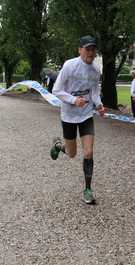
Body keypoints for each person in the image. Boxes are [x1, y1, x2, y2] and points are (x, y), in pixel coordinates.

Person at [50, 35, 105, 204]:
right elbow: (56, 90)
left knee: (88, 152)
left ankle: (87, 189)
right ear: (80, 50)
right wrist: (74, 100)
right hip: (69, 114)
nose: (91, 53)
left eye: (93, 50)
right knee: (72, 153)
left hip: (86, 114)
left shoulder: (96, 70)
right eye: (88, 49)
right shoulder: (69, 65)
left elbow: (94, 91)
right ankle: (59, 146)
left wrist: (99, 104)